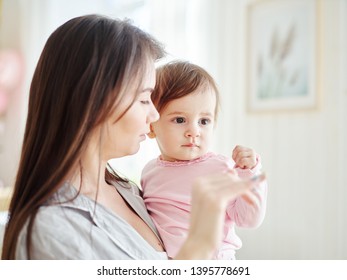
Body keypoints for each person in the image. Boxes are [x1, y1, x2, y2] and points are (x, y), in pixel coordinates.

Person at [1, 15, 265, 260]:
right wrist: (199, 244)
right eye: (143, 99)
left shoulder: (129, 191)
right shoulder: (51, 231)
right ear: (94, 102)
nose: (153, 115)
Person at [141, 61, 268, 259]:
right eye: (180, 120)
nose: (194, 131)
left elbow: (248, 219)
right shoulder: (149, 172)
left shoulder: (220, 168)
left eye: (204, 121)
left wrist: (249, 173)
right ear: (151, 126)